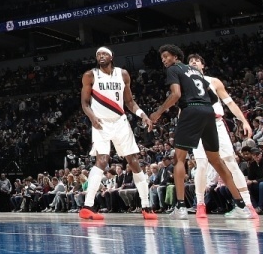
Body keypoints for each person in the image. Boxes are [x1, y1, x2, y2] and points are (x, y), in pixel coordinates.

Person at [148, 44, 250, 219]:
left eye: (166, 56)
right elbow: (213, 98)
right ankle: (242, 206)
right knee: (216, 161)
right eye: (162, 58)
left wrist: (157, 113)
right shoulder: (196, 72)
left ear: (175, 56)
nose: (164, 60)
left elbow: (176, 94)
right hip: (209, 112)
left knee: (179, 159)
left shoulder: (174, 69)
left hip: (191, 111)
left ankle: (180, 207)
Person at [79, 46, 156, 220]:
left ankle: (146, 206)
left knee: (133, 161)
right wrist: (92, 117)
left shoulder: (123, 74)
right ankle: (87, 206)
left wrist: (142, 115)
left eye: (104, 54)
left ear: (111, 56)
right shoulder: (90, 75)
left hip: (120, 122)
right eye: (98, 54)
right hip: (101, 123)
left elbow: (129, 102)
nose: (101, 56)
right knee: (102, 160)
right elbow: (85, 103)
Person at [186, 53, 257, 218]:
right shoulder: (184, 83)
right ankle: (200, 204)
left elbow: (230, 103)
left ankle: (247, 205)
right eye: (191, 61)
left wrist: (244, 121)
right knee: (201, 165)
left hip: (216, 123)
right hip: (197, 126)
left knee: (231, 162)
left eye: (197, 60)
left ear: (203, 65)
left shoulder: (214, 81)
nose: (194, 62)